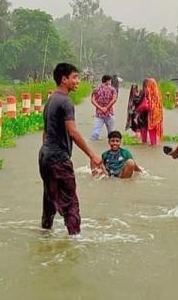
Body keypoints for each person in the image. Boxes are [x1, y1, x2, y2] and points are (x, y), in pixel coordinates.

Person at [39, 63, 105, 236]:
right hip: (58, 159)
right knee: (70, 202)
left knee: (49, 199)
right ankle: (75, 241)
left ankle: (45, 233)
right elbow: (73, 132)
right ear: (64, 79)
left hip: (45, 156)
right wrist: (93, 155)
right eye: (75, 77)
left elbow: (45, 132)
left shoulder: (51, 99)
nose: (78, 81)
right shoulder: (66, 102)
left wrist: (47, 152)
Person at [136, 78, 163, 146]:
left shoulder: (147, 91)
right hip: (158, 113)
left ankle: (149, 143)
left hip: (150, 113)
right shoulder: (158, 92)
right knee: (155, 128)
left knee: (149, 128)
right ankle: (154, 143)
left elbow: (140, 101)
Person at [90, 75, 118, 141]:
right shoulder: (112, 89)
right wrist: (107, 108)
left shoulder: (96, 89)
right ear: (108, 81)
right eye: (110, 81)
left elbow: (92, 100)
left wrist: (100, 108)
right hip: (109, 113)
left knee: (95, 133)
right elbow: (114, 99)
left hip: (99, 113)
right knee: (111, 133)